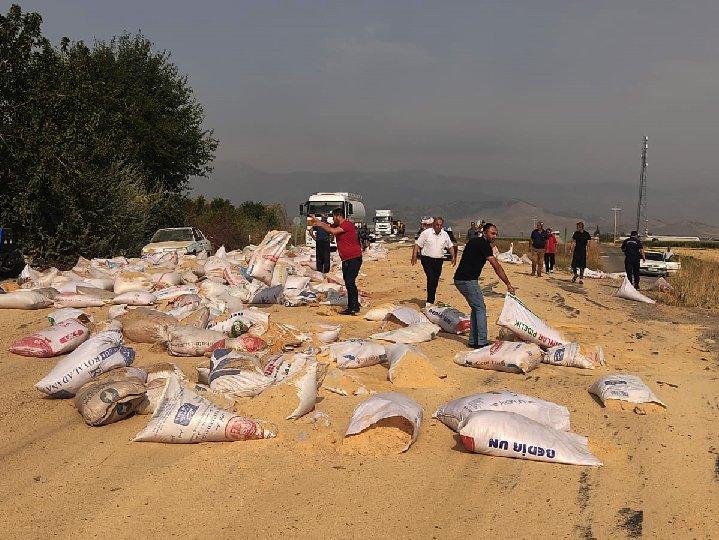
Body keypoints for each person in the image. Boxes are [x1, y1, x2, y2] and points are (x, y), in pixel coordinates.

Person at [454, 223, 517, 348]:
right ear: (484, 232)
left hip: (459, 279)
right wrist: (508, 284)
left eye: (496, 234)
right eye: (492, 233)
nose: (494, 236)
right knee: (481, 308)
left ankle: (473, 341)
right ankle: (482, 342)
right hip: (468, 280)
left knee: (475, 308)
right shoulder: (484, 245)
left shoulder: (474, 241)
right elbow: (496, 266)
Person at [311, 208, 362, 315]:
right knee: (348, 282)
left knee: (350, 282)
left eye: (333, 217)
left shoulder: (347, 224)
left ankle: (352, 307)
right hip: (346, 259)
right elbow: (327, 226)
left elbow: (331, 231)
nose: (333, 219)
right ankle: (354, 305)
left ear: (338, 216)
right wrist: (317, 221)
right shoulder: (338, 225)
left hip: (354, 258)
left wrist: (321, 225)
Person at [412, 217, 456, 306]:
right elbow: (417, 244)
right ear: (433, 225)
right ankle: (429, 301)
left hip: (439, 260)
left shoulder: (445, 234)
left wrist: (453, 257)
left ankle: (431, 298)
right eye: (437, 225)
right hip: (427, 259)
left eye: (441, 225)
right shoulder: (426, 233)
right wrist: (414, 256)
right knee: (431, 278)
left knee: (435, 280)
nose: (439, 227)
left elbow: (450, 246)